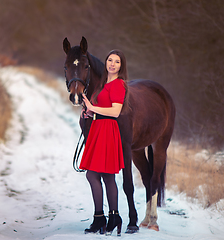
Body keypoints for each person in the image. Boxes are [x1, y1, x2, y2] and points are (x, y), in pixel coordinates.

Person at [79, 49, 128, 236]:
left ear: (121, 66)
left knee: (97, 175)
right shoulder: (102, 83)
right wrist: (90, 112)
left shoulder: (118, 84)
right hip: (98, 128)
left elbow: (115, 112)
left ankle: (104, 217)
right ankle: (108, 217)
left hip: (108, 130)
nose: (112, 64)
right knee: (103, 176)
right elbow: (102, 107)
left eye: (117, 61)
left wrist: (93, 107)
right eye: (110, 60)